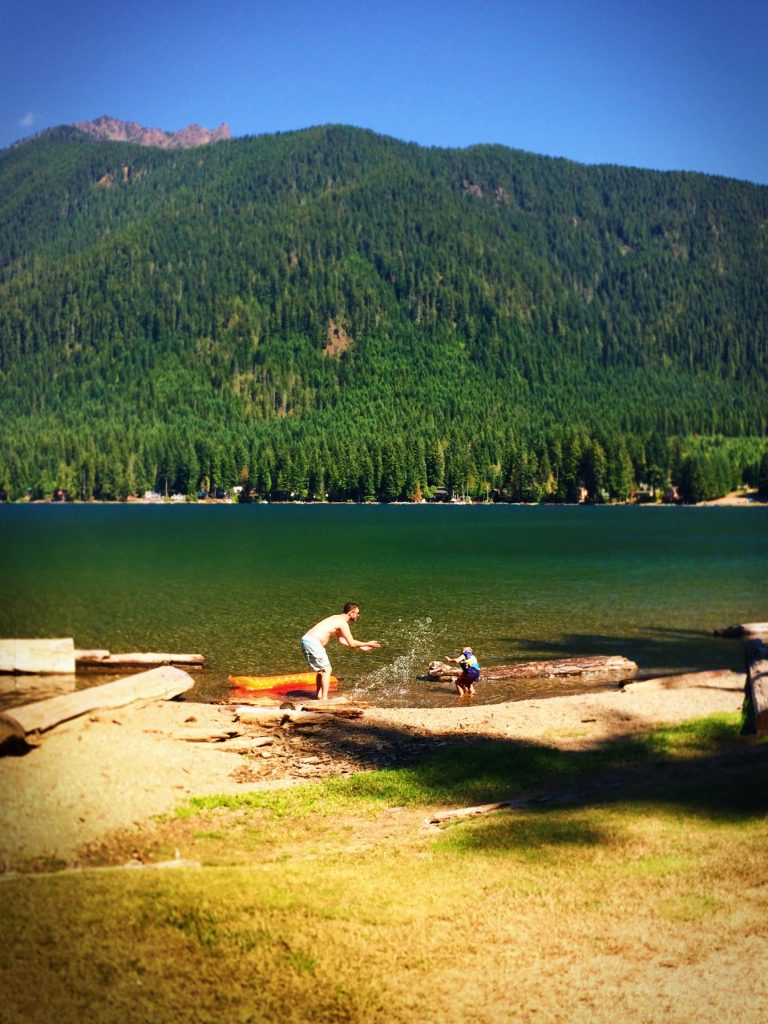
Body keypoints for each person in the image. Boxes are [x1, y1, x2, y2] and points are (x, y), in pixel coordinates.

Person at [300, 602, 381, 700]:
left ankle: (319, 695)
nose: (358, 615)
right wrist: (368, 643)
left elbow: (342, 640)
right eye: (357, 613)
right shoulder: (342, 623)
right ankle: (324, 700)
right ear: (350, 613)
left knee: (321, 670)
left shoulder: (336, 618)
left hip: (306, 640)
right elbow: (351, 643)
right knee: (327, 670)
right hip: (313, 642)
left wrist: (361, 648)